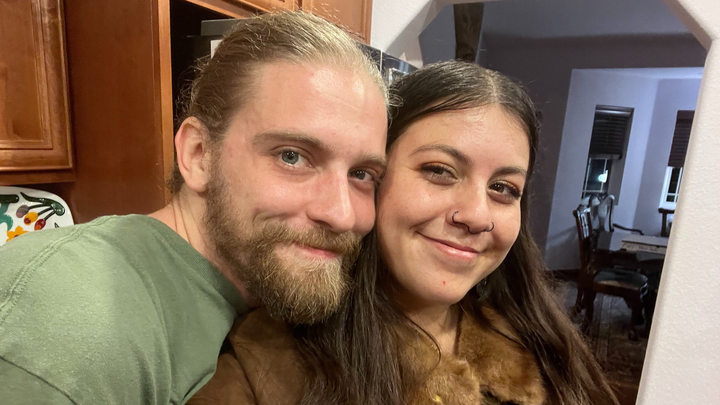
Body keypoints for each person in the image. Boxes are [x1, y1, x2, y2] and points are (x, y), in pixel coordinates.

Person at [0, 11, 388, 405]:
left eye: (361, 174)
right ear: (199, 155)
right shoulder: (71, 325)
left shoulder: (253, 289)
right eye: (292, 156)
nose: (341, 214)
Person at [189, 61, 619, 405]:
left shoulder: (545, 346)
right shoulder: (262, 368)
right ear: (371, 176)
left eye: (504, 189)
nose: (477, 215)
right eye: (439, 170)